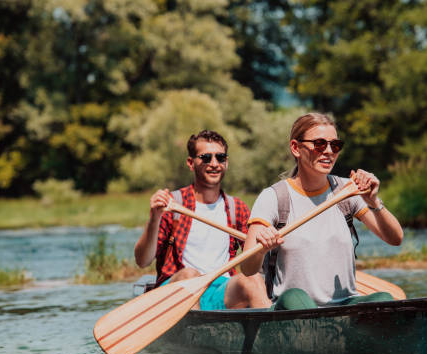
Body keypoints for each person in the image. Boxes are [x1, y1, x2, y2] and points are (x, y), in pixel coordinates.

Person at [241, 112, 403, 310]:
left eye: (335, 145)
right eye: (319, 144)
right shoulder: (274, 197)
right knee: (295, 297)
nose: (328, 151)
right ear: (296, 148)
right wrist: (263, 247)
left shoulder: (347, 191)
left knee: (384, 299)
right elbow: (247, 268)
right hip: (290, 307)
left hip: (343, 306)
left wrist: (372, 201)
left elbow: (395, 239)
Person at [134, 130, 270, 310]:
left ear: (226, 162)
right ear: (191, 163)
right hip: (176, 289)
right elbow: (142, 260)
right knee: (190, 275)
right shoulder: (172, 205)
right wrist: (154, 218)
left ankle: (271, 333)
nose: (214, 164)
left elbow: (252, 264)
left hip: (220, 288)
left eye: (220, 158)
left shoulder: (237, 208)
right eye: (206, 158)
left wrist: (264, 247)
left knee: (253, 279)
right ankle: (197, 335)